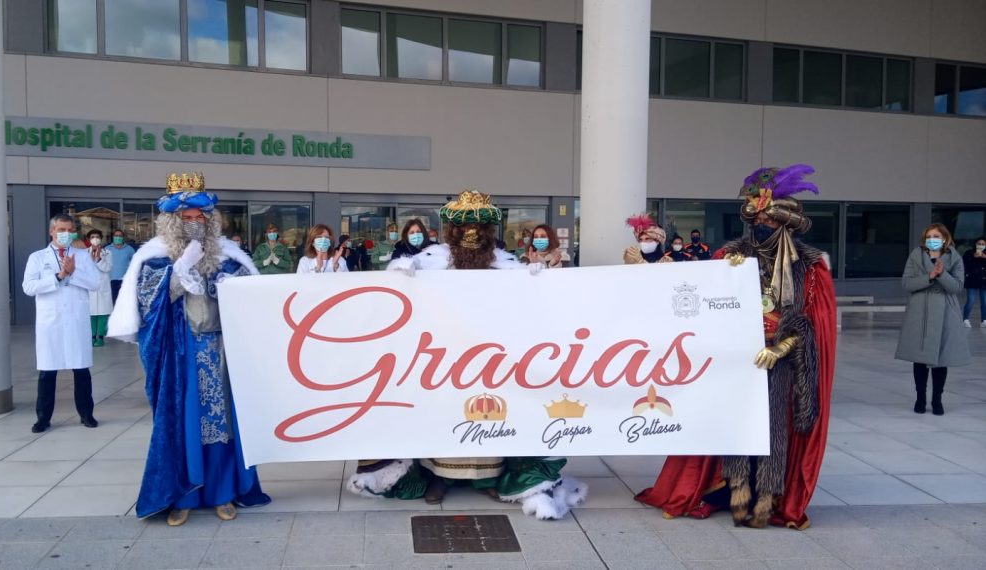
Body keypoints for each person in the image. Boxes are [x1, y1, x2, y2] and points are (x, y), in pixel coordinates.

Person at [347, 190, 588, 521]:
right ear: (454, 232)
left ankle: (486, 478)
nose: (471, 234)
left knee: (488, 413)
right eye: (464, 229)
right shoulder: (431, 259)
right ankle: (440, 478)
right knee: (443, 413)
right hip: (444, 356)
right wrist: (402, 272)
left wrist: (535, 281)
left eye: (478, 228)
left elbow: (527, 306)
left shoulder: (504, 263)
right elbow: (403, 287)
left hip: (490, 357)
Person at [636, 164, 837, 530]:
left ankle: (768, 494)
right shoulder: (731, 256)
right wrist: (652, 256)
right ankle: (730, 490)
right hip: (735, 361)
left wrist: (782, 347)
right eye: (757, 218)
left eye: (770, 220)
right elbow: (689, 290)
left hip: (781, 361)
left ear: (785, 223)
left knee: (774, 427)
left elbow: (813, 322)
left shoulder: (808, 266)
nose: (763, 225)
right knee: (734, 425)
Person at [108, 172, 270, 526]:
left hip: (222, 353)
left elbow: (251, 299)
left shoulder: (229, 255)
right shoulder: (154, 256)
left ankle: (223, 493)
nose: (195, 224)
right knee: (183, 424)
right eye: (187, 218)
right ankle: (182, 495)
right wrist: (177, 275)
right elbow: (147, 310)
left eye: (201, 218)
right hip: (181, 355)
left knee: (222, 424)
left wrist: (224, 285)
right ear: (172, 220)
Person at [22, 214, 101, 433]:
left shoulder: (82, 256)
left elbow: (95, 282)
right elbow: (28, 287)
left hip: (76, 320)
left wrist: (73, 273)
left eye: (70, 230)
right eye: (61, 230)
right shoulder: (37, 257)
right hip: (51, 322)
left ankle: (86, 414)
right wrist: (58, 276)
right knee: (48, 372)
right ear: (52, 232)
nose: (66, 234)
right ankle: (43, 418)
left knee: (81, 370)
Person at [895, 224, 970, 415]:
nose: (932, 239)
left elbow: (957, 287)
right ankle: (920, 398)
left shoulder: (954, 257)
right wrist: (929, 275)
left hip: (946, 312)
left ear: (945, 238)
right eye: (929, 236)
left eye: (936, 236)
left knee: (940, 360)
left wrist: (942, 274)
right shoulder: (916, 255)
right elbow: (907, 283)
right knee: (920, 357)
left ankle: (937, 400)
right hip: (920, 310)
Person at [86, 230, 113, 347]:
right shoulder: (84, 253)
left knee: (103, 312)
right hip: (89, 286)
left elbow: (107, 268)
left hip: (103, 286)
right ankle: (92, 337)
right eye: (92, 237)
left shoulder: (108, 253)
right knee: (91, 313)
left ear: (101, 239)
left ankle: (100, 337)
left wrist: (98, 259)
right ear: (88, 239)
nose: (95, 239)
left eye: (97, 237)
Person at [106, 229, 136, 303]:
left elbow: (134, 263)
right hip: (110, 280)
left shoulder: (129, 249)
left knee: (125, 302)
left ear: (123, 237)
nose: (118, 237)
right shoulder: (107, 249)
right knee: (112, 302)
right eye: (116, 235)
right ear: (113, 237)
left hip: (125, 280)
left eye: (120, 236)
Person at [963, 237, 986, 328]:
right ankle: (965, 319)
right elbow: (964, 264)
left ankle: (984, 320)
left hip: (984, 281)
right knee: (971, 301)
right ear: (975, 244)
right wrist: (973, 257)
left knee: (985, 302)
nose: (980, 246)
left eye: (983, 244)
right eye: (979, 244)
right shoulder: (969, 253)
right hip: (972, 281)